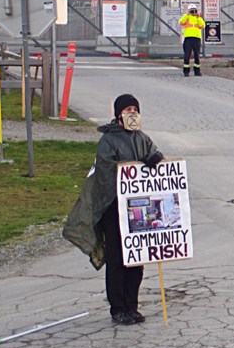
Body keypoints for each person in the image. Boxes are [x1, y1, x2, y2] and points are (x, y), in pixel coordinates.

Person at [63, 94, 164, 325]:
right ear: (119, 114)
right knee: (118, 259)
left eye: (135, 109)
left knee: (136, 259)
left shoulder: (142, 138)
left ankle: (132, 305)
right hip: (115, 210)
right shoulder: (108, 142)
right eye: (128, 109)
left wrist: (154, 159)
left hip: (139, 213)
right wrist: (135, 169)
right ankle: (117, 308)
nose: (132, 113)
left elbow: (154, 158)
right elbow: (107, 175)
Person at [179, 4, 205, 77]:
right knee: (187, 55)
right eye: (192, 10)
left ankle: (197, 71)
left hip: (196, 38)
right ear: (189, 10)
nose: (193, 11)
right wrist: (187, 14)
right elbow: (181, 22)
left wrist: (198, 17)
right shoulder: (186, 17)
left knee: (197, 55)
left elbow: (202, 25)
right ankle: (186, 71)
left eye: (194, 10)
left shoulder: (198, 18)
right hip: (188, 38)